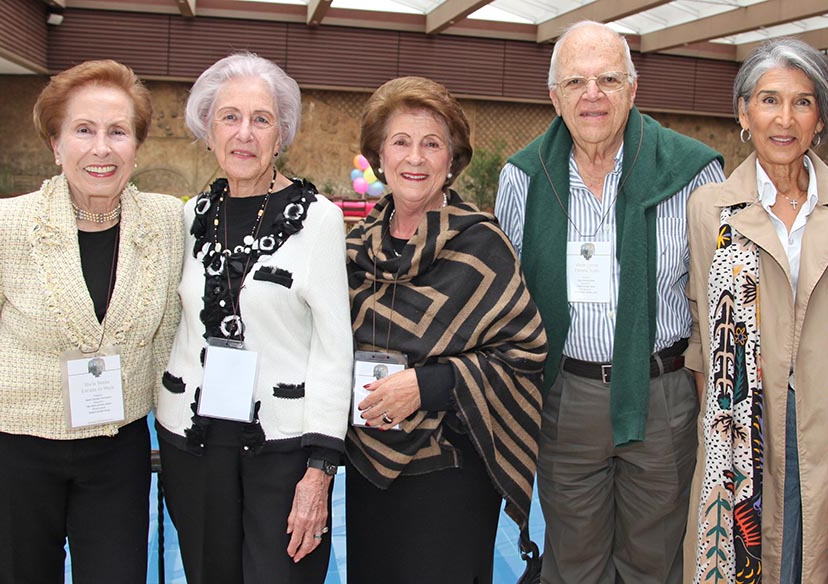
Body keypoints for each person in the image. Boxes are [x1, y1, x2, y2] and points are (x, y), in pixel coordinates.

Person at [495, 20, 726, 584]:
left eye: (607, 79)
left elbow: (716, 300)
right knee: (572, 562)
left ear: (633, 88)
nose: (592, 95)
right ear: (554, 97)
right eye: (575, 82)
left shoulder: (693, 173)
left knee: (656, 561)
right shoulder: (523, 178)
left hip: (662, 396)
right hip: (565, 398)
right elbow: (505, 303)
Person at [685, 38, 828, 584]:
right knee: (758, 555)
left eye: (802, 102)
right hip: (749, 425)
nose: (784, 119)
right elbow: (703, 320)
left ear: (822, 119)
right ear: (744, 112)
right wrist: (718, 416)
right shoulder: (711, 209)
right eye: (769, 100)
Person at [0, 59, 184, 583]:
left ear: (136, 148)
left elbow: (168, 337)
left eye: (117, 132)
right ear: (55, 145)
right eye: (83, 130)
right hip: (11, 448)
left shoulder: (167, 222)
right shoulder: (2, 223)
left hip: (114, 449)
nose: (102, 148)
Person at [155, 52, 353, 584]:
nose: (244, 134)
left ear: (281, 133)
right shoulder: (189, 216)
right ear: (207, 128)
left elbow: (336, 348)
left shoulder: (318, 220)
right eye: (230, 117)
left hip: (282, 448)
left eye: (261, 119)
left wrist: (321, 469)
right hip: (195, 441)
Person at [345, 75, 547, 583]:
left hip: (450, 475)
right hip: (369, 472)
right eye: (401, 142)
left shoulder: (482, 244)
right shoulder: (353, 249)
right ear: (378, 156)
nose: (416, 158)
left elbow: (526, 351)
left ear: (452, 161)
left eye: (432, 144)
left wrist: (428, 385)